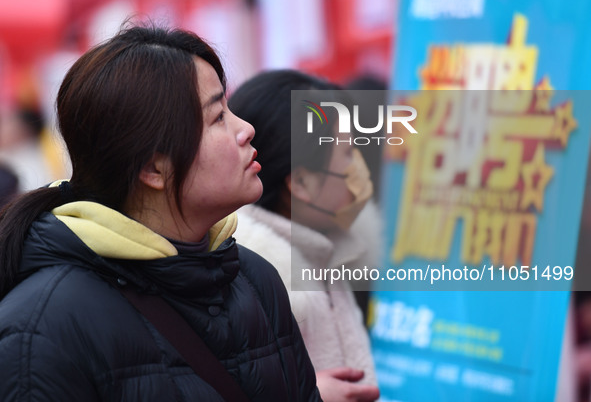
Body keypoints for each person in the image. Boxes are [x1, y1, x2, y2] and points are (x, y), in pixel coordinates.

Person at [0, 25, 321, 401]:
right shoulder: (40, 329)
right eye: (218, 116)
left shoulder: (255, 278)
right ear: (153, 169)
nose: (246, 129)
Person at [230, 70, 381, 402]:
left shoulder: (330, 251)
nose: (359, 169)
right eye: (347, 154)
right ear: (301, 184)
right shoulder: (254, 284)